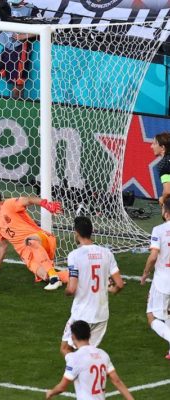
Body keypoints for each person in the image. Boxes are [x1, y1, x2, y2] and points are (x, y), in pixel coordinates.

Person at [0, 187, 68, 290]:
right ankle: (73, 275)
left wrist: (46, 204)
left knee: (30, 241)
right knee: (45, 276)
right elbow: (2, 245)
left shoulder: (8, 204)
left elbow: (29, 200)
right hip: (28, 255)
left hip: (41, 239)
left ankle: (54, 278)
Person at [60, 216, 125, 356]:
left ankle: (76, 370)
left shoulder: (74, 255)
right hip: (101, 315)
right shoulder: (107, 253)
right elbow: (119, 283)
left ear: (76, 233)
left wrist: (65, 291)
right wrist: (113, 289)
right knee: (87, 353)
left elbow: (71, 289)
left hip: (82, 314)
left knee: (66, 349)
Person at [46, 320, 134, 399]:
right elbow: (117, 381)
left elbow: (62, 387)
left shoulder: (75, 358)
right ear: (89, 335)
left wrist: (51, 392)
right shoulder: (103, 354)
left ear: (73, 337)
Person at [140, 197, 170, 360]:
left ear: (166, 213)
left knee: (151, 315)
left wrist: (145, 273)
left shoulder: (158, 230)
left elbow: (153, 257)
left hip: (163, 281)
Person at [150, 132, 170, 205]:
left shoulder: (164, 164)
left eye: (154, 144)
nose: (151, 146)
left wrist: (162, 199)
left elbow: (168, 191)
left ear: (163, 148)